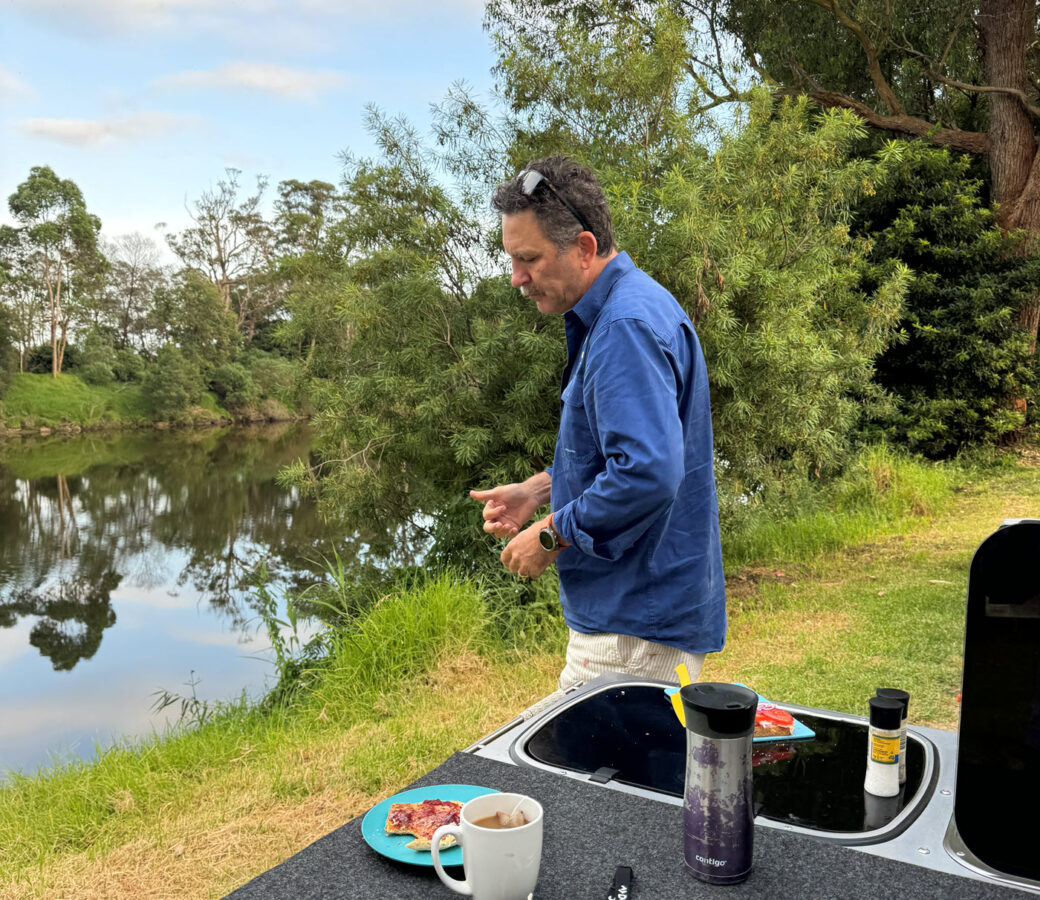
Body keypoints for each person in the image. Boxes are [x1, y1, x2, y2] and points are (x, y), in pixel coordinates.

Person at [470, 156, 726, 691]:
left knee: (559, 749)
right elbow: (621, 454)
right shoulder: (629, 308)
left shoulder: (623, 327)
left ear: (584, 248)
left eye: (528, 259)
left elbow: (646, 474)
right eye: (512, 260)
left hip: (633, 627)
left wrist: (549, 536)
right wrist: (538, 490)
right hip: (638, 619)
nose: (517, 278)